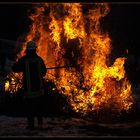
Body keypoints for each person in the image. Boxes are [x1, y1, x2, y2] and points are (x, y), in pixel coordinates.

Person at [12, 40, 46, 130]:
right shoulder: (39, 60)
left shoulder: (24, 60)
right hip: (39, 89)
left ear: (27, 50)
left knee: (30, 108)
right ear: (35, 50)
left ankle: (31, 126)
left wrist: (22, 67)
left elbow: (14, 68)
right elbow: (44, 73)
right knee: (38, 107)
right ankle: (40, 124)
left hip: (29, 89)